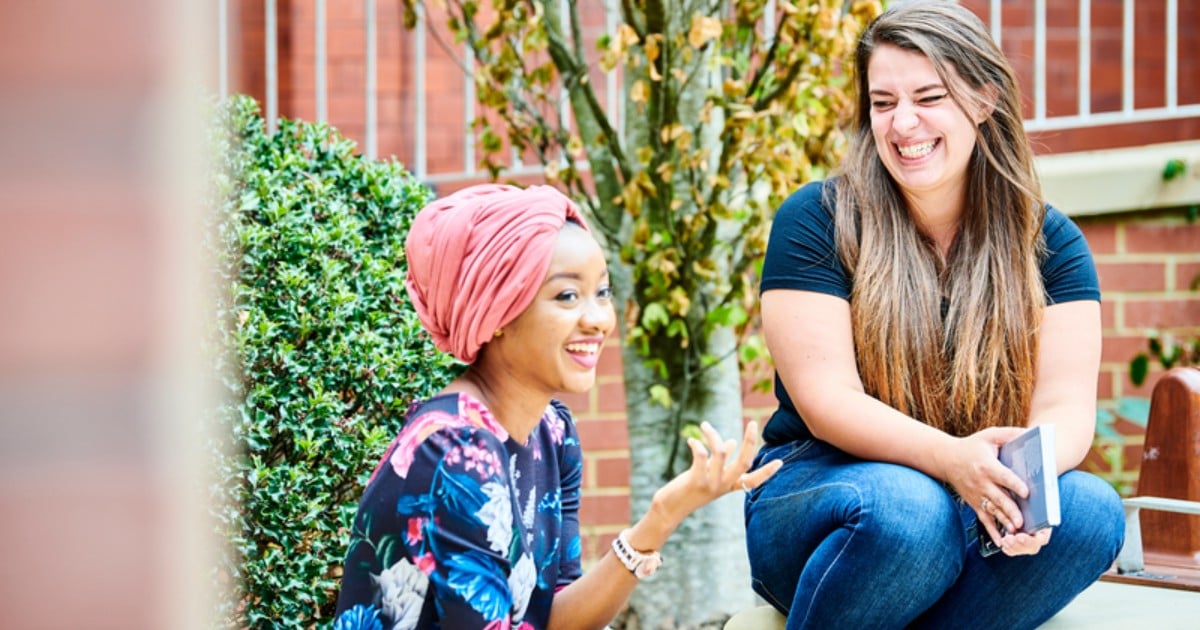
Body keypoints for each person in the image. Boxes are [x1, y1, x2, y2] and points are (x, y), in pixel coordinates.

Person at [744, 2, 1125, 628]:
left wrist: (1018, 489)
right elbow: (826, 400)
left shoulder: (1049, 243)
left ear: (984, 99)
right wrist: (951, 461)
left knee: (1088, 512)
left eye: (929, 97)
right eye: (883, 102)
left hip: (968, 499)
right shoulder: (818, 219)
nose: (903, 123)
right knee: (910, 511)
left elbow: (1065, 409)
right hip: (820, 494)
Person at [334, 183, 781, 629]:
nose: (599, 320)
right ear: (498, 313)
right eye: (567, 296)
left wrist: (663, 516)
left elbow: (556, 618)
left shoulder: (552, 432)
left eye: (602, 292)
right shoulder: (455, 451)